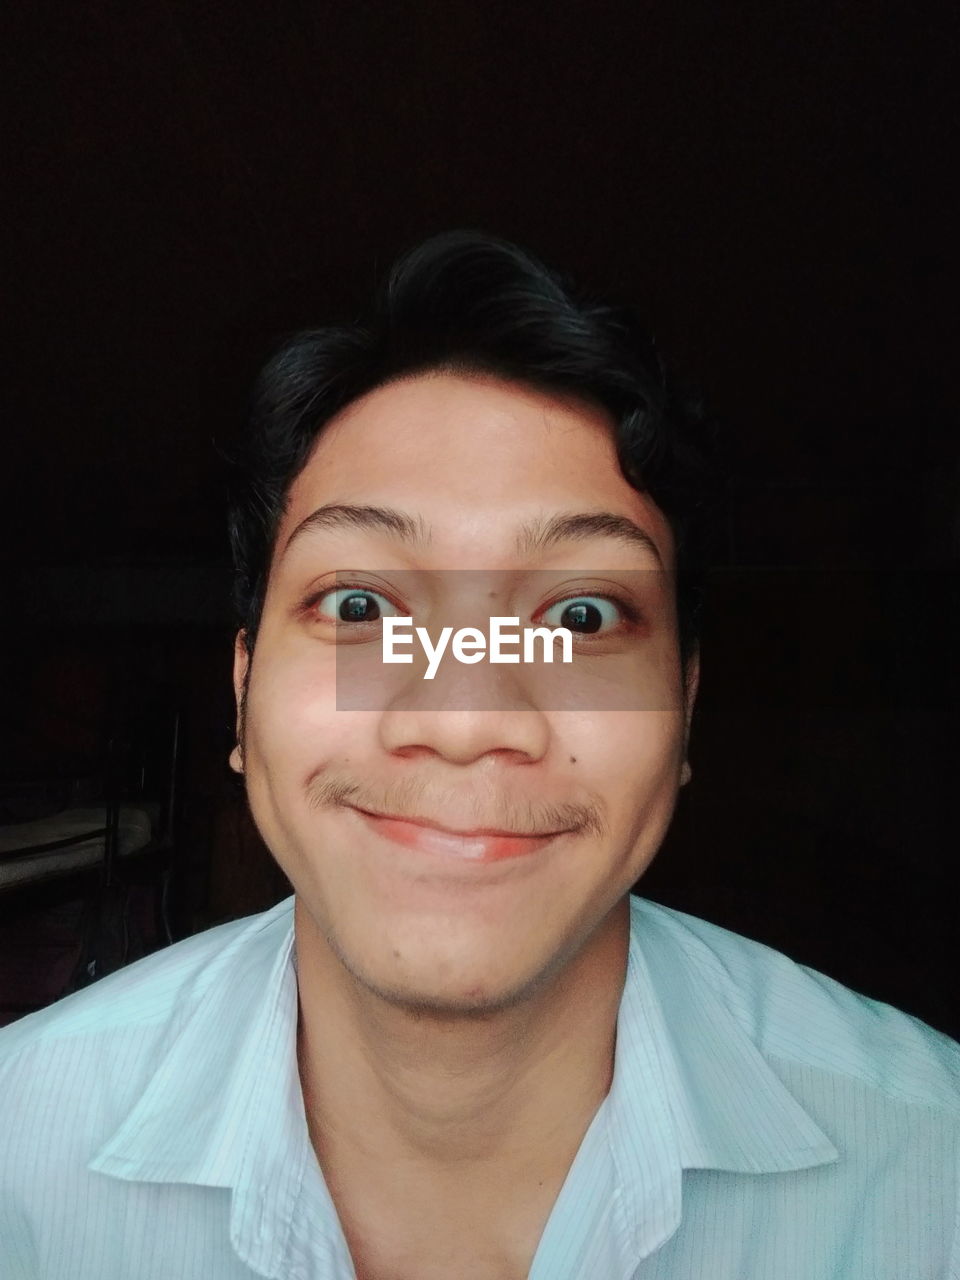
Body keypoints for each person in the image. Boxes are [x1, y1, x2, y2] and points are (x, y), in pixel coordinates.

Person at [1, 231, 957, 1280]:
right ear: (243, 689)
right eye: (362, 605)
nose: (465, 721)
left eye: (583, 616)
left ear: (684, 706)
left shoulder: (928, 1167)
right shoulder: (21, 1155)